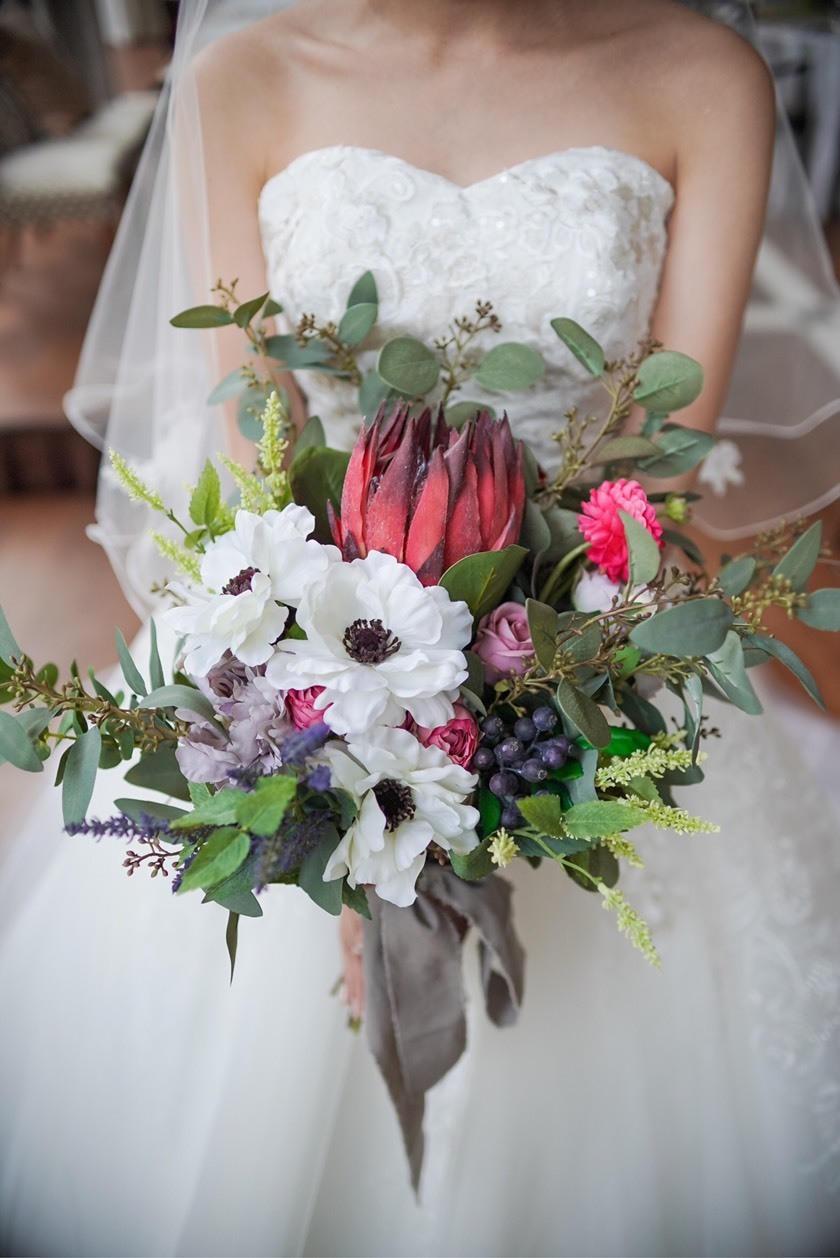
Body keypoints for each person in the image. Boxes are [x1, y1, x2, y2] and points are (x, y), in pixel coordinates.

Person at [1, 2, 839, 1254]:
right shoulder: (243, 77)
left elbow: (650, 472)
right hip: (297, 630)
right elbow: (258, 441)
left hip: (581, 642)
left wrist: (483, 759)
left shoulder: (698, 75)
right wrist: (343, 795)